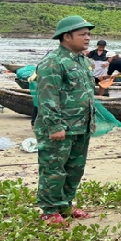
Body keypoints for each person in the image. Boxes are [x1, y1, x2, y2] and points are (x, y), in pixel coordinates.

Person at [34, 15, 97, 226]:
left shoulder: (84, 61)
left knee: (75, 168)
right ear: (66, 37)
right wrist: (54, 126)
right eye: (82, 34)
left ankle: (65, 204)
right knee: (53, 168)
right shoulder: (52, 62)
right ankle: (49, 210)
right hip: (59, 127)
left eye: (88, 34)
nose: (88, 38)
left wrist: (90, 123)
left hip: (81, 126)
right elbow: (47, 97)